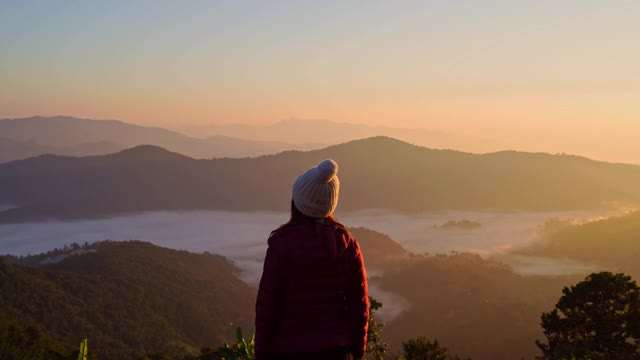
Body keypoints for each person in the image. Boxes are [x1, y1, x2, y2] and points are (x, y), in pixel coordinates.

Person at [255, 159, 369, 360]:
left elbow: (267, 309)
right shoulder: (348, 247)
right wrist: (357, 352)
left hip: (289, 351)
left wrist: (262, 354)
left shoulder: (281, 246)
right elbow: (358, 306)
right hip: (337, 351)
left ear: (296, 202)